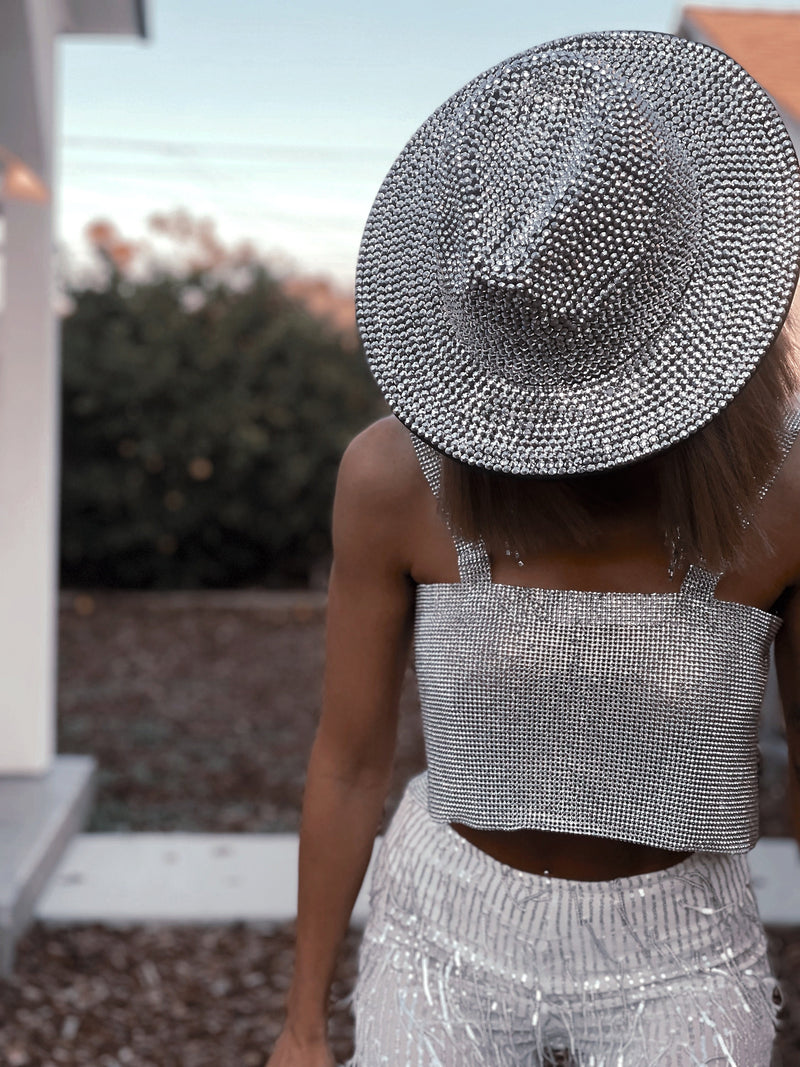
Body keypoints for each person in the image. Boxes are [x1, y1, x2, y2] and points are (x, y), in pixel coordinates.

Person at [267, 30, 800, 1067]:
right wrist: (300, 1021)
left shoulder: (780, 493)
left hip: (681, 949)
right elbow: (348, 756)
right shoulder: (393, 476)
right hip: (440, 929)